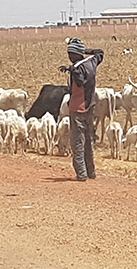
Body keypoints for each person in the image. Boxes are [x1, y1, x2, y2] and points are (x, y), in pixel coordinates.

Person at [59, 38, 104, 181]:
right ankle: (91, 171)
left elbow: (80, 82)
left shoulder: (77, 69)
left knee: (77, 141)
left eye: (70, 54)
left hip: (77, 108)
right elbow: (100, 52)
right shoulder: (92, 62)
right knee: (88, 140)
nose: (69, 57)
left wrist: (72, 70)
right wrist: (84, 51)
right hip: (90, 106)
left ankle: (81, 173)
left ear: (73, 55)